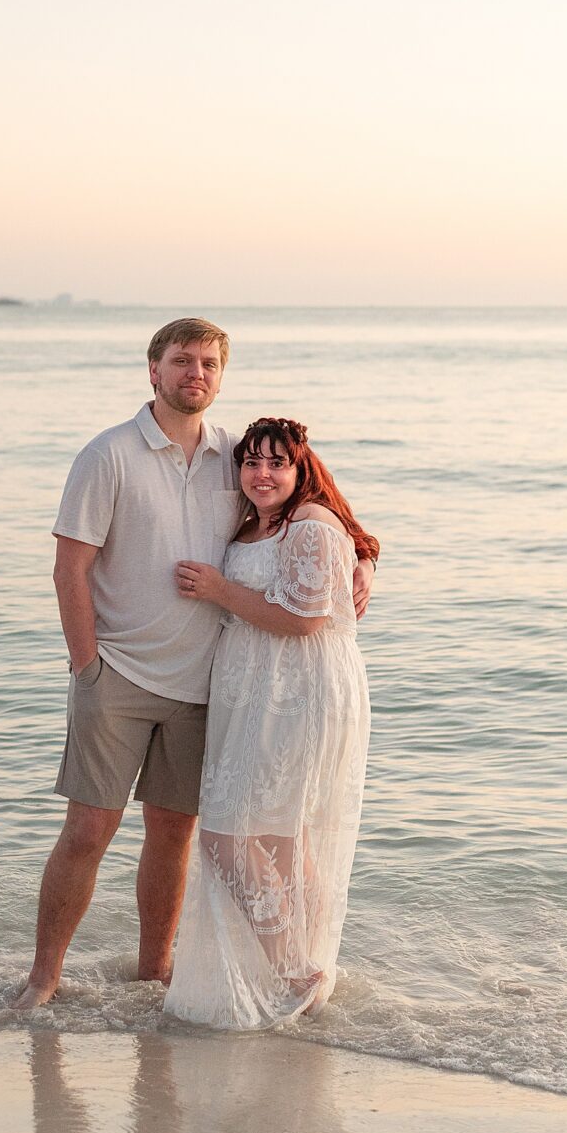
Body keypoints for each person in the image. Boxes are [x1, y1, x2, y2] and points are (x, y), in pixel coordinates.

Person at [12, 323, 370, 1011]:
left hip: (207, 686)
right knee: (89, 831)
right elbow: (69, 569)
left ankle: (155, 972)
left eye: (208, 363)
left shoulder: (233, 455)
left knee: (175, 835)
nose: (194, 374)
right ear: (154, 371)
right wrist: (86, 666)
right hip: (116, 674)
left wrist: (366, 561)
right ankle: (43, 979)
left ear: (220, 375)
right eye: (181, 362)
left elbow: (314, 509)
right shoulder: (107, 455)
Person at [162, 420, 378, 1028]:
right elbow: (354, 549)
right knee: (281, 835)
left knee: (225, 836)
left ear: (299, 468)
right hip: (260, 692)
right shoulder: (262, 522)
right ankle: (307, 966)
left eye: (276, 464)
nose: (261, 474)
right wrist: (365, 558)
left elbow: (305, 618)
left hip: (299, 692)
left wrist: (217, 589)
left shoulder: (309, 523)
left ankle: (293, 971)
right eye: (251, 463)